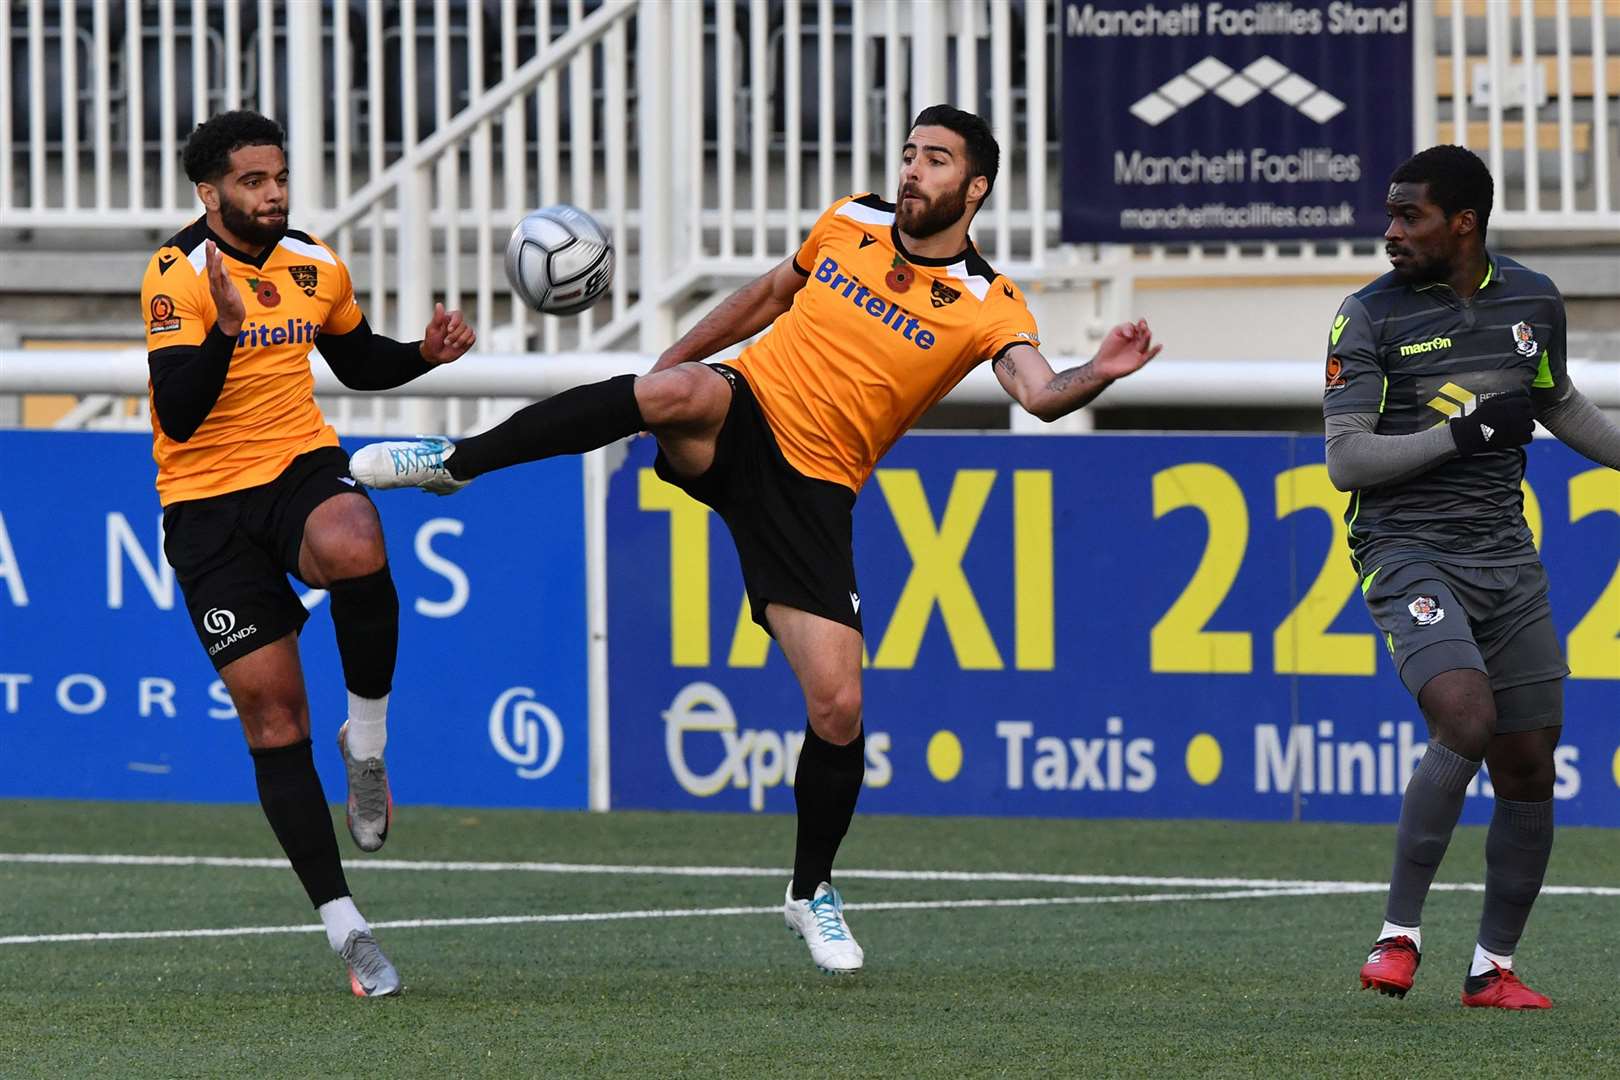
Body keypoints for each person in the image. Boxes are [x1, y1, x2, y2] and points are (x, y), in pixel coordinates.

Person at [351, 104, 1160, 974]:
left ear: (976, 188)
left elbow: (1037, 394)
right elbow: (771, 295)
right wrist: (670, 359)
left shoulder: (986, 301)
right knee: (675, 395)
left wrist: (1098, 374)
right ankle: (456, 462)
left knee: (839, 706)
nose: (913, 171)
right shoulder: (850, 220)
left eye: (935, 161)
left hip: (814, 494)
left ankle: (811, 892)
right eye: (910, 154)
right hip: (746, 408)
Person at [141, 110, 475, 996]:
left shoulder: (315, 261)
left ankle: (367, 746)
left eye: (279, 177)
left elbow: (356, 357)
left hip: (296, 469)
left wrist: (423, 356)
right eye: (253, 182)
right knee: (274, 720)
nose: (274, 193)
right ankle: (345, 926)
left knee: (356, 539)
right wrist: (223, 327)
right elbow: (178, 412)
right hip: (207, 511)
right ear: (209, 194)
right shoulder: (176, 277)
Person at [1326, 145, 1620, 1009]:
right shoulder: (1367, 315)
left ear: (1464, 223)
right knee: (1465, 712)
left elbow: (1555, 399)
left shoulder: (1533, 298)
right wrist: (1461, 435)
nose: (1390, 233)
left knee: (1528, 760)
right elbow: (1346, 460)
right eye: (1389, 214)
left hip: (1504, 554)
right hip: (1406, 547)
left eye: (1408, 215)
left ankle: (1492, 968)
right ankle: (1398, 935)